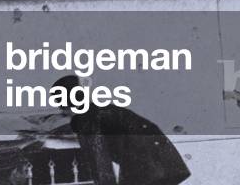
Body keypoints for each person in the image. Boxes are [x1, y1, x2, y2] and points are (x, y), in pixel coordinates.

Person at [52, 75, 191, 185]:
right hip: (167, 164)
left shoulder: (86, 120)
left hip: (143, 167)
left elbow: (100, 164)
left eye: (60, 106)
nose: (62, 113)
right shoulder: (101, 110)